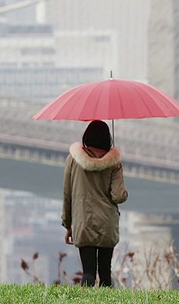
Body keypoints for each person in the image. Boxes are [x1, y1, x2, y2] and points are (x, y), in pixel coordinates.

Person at [61, 120, 128, 287]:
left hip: (84, 222)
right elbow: (119, 196)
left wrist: (68, 225)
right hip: (107, 223)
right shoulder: (114, 162)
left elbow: (67, 194)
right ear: (108, 139)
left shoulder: (73, 160)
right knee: (105, 271)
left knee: (88, 272)